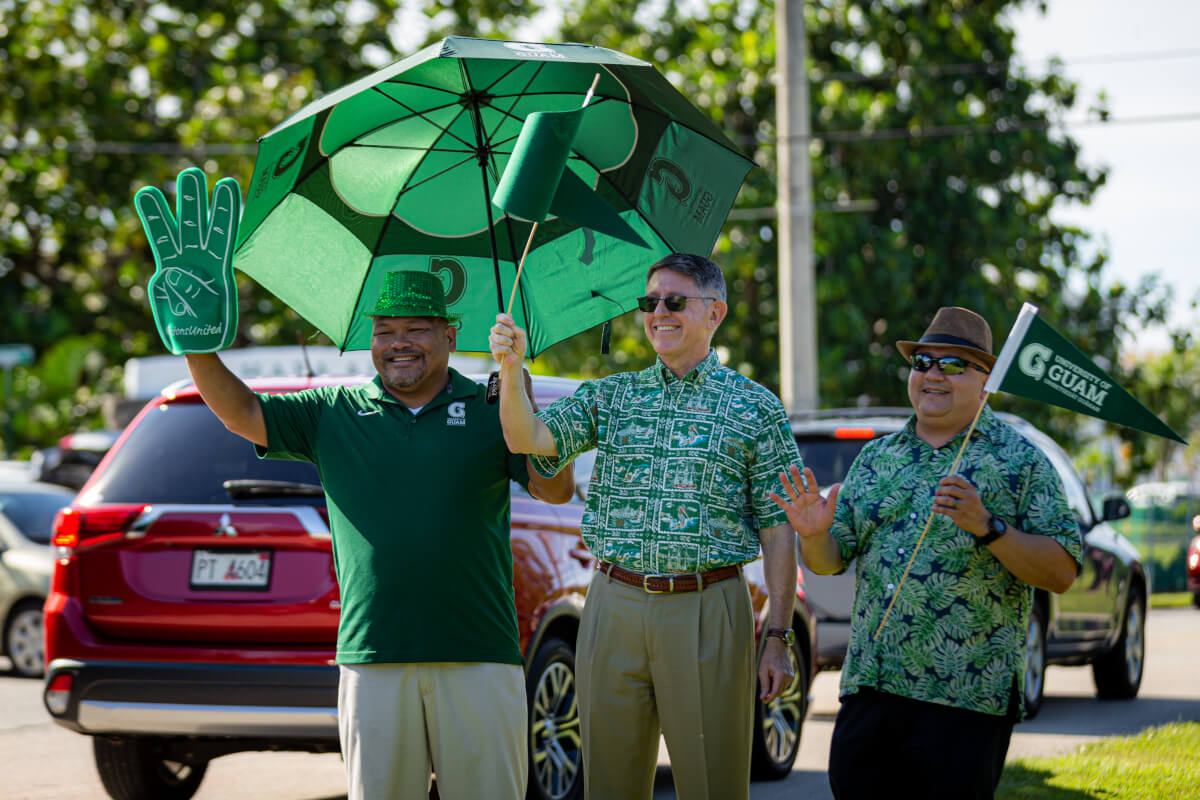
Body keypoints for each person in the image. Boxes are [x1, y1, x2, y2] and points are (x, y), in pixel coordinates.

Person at [184, 270, 575, 800]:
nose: (398, 344)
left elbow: (554, 491)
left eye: (415, 328)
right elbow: (244, 412)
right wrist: (198, 347)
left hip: (479, 653)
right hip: (374, 657)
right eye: (385, 330)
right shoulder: (333, 412)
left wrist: (524, 410)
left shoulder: (491, 405)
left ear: (449, 336)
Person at [489, 253, 801, 800]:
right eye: (649, 301)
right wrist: (512, 369)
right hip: (612, 603)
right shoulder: (614, 395)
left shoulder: (756, 408)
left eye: (674, 301)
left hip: (709, 606)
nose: (658, 312)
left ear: (715, 313)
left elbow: (779, 529)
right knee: (608, 785)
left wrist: (777, 636)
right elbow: (527, 438)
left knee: (713, 786)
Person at [771, 306, 1083, 800]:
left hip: (964, 699)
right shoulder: (878, 457)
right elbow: (830, 560)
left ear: (986, 380)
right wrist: (813, 534)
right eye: (922, 362)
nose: (933, 374)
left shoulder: (1021, 462)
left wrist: (989, 527)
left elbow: (1062, 571)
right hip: (871, 691)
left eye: (954, 364)